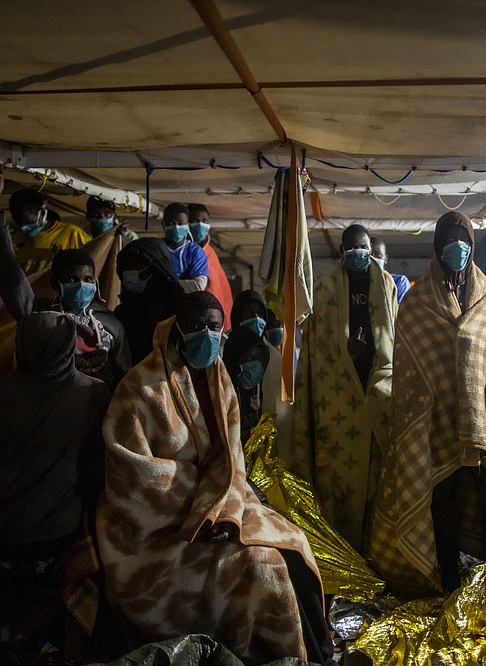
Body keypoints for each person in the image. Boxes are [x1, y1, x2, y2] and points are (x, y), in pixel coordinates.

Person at [97, 291, 332, 665]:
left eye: (213, 326)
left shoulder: (220, 382)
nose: (206, 335)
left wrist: (226, 513)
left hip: (221, 506)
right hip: (159, 531)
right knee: (260, 565)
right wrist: (204, 513)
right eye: (196, 326)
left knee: (293, 543)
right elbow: (136, 477)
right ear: (177, 330)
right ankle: (279, 654)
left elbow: (232, 462)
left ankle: (318, 653)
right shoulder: (139, 389)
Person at [370, 211, 486, 599]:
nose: (458, 247)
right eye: (450, 239)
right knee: (443, 507)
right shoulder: (416, 304)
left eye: (464, 239)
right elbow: (409, 379)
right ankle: (446, 583)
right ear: (437, 247)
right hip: (435, 431)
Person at [0, 312, 111, 648]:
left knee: (11, 606)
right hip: (57, 537)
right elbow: (97, 472)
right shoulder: (93, 393)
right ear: (70, 348)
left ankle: (10, 638)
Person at [290, 224, 396, 554]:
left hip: (378, 398)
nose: (360, 254)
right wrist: (344, 353)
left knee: (378, 487)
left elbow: (395, 340)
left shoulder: (387, 284)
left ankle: (376, 558)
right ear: (342, 250)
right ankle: (341, 558)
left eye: (364, 248)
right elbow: (315, 351)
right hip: (336, 402)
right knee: (339, 485)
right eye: (353, 248)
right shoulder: (324, 291)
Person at [0, 166, 131, 388]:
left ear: (95, 282)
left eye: (87, 280)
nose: (81, 285)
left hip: (98, 411)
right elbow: (9, 273)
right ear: (54, 283)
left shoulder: (111, 323)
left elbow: (124, 377)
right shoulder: (39, 315)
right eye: (71, 280)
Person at [114, 237, 185, 363]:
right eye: (126, 268)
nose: (129, 273)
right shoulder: (123, 314)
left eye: (135, 266)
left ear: (155, 269)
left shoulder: (179, 311)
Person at [6, 183, 90, 274]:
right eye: (18, 222)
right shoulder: (15, 241)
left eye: (28, 221)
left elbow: (94, 258)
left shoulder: (73, 234)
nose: (23, 227)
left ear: (43, 208)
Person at [187, 203, 234, 331]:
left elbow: (219, 289)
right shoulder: (182, 254)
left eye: (205, 221)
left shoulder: (210, 252)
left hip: (219, 321)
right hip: (197, 321)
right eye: (196, 221)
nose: (201, 225)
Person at [222, 325, 269, 444]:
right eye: (250, 357)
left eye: (259, 359)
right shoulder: (221, 395)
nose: (255, 365)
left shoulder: (262, 393)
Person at [160, 202, 209, 293]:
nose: (176, 227)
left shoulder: (195, 252)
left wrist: (161, 284)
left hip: (185, 305)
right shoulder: (155, 248)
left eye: (180, 223)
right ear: (163, 225)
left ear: (187, 225)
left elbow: (198, 286)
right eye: (170, 223)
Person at [370, 237, 411, 302]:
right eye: (369, 255)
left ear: (385, 259)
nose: (373, 258)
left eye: (378, 255)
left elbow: (404, 310)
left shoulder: (399, 282)